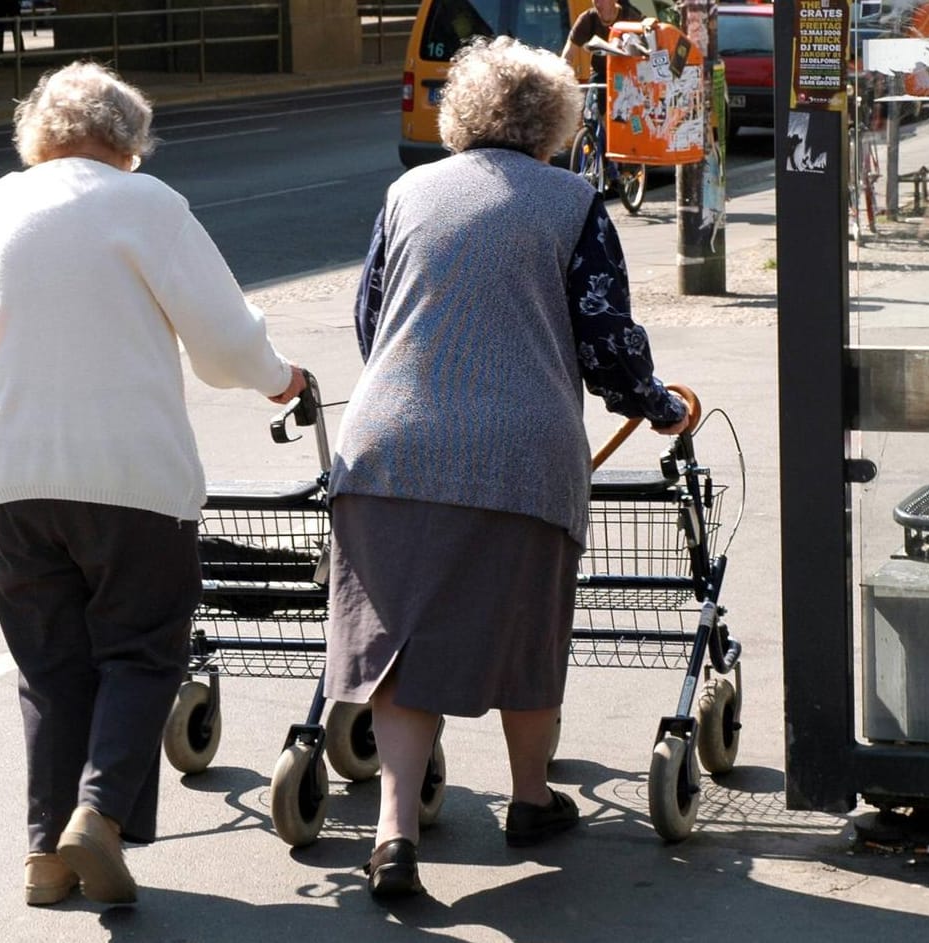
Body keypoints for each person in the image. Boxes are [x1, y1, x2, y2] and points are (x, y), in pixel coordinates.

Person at [331, 35, 689, 901]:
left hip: (385, 450)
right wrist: (658, 404)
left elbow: (370, 320)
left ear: (464, 114)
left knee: (400, 643)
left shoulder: (406, 191)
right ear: (555, 124)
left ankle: (393, 834)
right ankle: (530, 799)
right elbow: (605, 339)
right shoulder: (572, 201)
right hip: (518, 456)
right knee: (526, 629)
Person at [0, 61, 307, 907]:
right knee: (143, 647)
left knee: (49, 666)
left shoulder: (2, 203)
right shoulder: (149, 206)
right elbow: (225, 342)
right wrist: (278, 378)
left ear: (40, 134)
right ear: (128, 140)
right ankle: (99, 814)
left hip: (11, 471)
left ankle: (45, 855)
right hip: (128, 477)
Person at [562, 0, 641, 84]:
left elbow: (649, 43)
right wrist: (563, 74)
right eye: (595, 0)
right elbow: (568, 55)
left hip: (629, 76)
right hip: (600, 76)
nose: (598, 4)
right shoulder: (588, 18)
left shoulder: (630, 16)